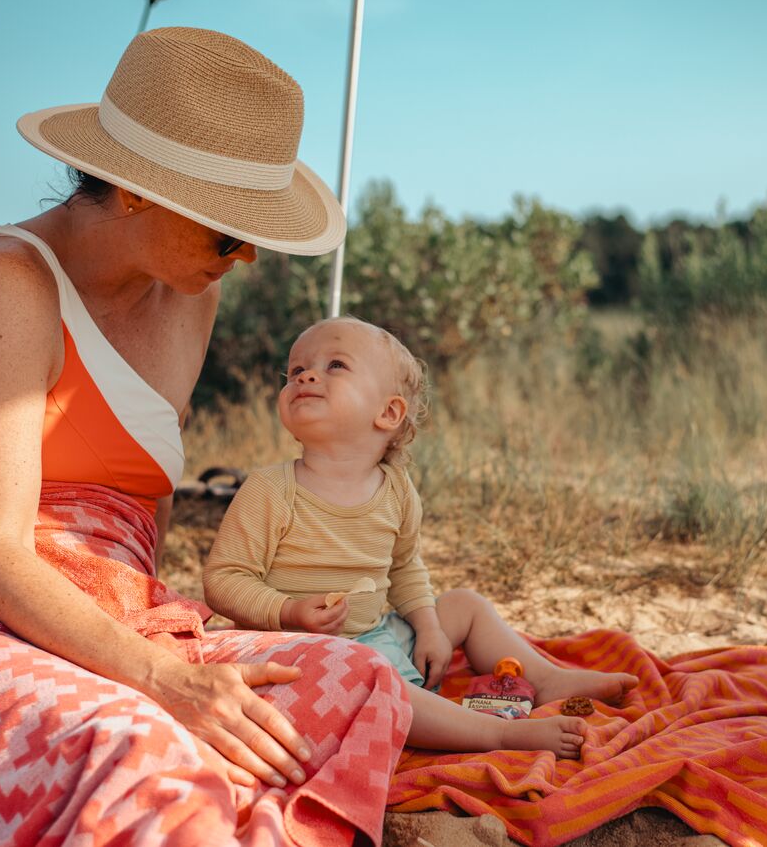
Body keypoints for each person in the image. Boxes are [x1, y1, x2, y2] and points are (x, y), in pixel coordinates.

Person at [0, 28, 412, 847]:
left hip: (98, 611)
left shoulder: (189, 291)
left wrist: (156, 641)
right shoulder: (2, 285)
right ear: (135, 191)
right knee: (136, 749)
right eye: (229, 233)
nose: (249, 258)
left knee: (365, 682)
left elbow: (141, 511)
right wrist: (160, 679)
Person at [203, 317, 639, 757]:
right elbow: (224, 580)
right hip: (301, 656)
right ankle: (497, 734)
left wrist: (428, 627)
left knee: (464, 605)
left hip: (373, 635)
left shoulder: (396, 490)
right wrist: (289, 610)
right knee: (377, 677)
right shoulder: (271, 490)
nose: (306, 376)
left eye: (335, 365)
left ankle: (544, 679)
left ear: (388, 413)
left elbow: (405, 567)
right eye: (295, 371)